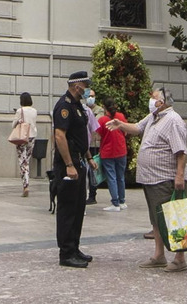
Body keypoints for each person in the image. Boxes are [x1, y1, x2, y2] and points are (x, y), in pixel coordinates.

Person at [108, 86, 187, 272]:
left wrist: (179, 176)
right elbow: (137, 128)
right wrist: (120, 125)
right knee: (156, 219)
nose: (150, 101)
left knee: (174, 217)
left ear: (162, 102)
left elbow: (181, 151)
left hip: (167, 178)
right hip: (152, 178)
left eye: (153, 98)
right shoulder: (154, 117)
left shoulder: (173, 120)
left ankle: (180, 258)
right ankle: (159, 255)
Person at [50, 71, 94, 267]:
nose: (88, 90)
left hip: (79, 162)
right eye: (86, 86)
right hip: (68, 165)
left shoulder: (77, 106)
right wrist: (69, 165)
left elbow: (79, 136)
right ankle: (66, 253)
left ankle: (74, 247)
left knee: (78, 208)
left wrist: (88, 157)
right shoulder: (64, 106)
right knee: (68, 209)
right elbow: (60, 136)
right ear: (77, 86)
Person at [97, 100, 129, 211]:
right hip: (121, 150)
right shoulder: (120, 116)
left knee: (111, 177)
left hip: (107, 152)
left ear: (104, 107)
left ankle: (115, 203)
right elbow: (126, 131)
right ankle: (122, 201)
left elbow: (99, 134)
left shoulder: (102, 120)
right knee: (120, 177)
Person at [12, 91, 37, 198]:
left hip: (22, 137)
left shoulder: (20, 110)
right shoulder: (34, 111)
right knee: (27, 159)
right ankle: (26, 184)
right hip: (32, 136)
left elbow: (13, 124)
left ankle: (25, 186)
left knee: (22, 162)